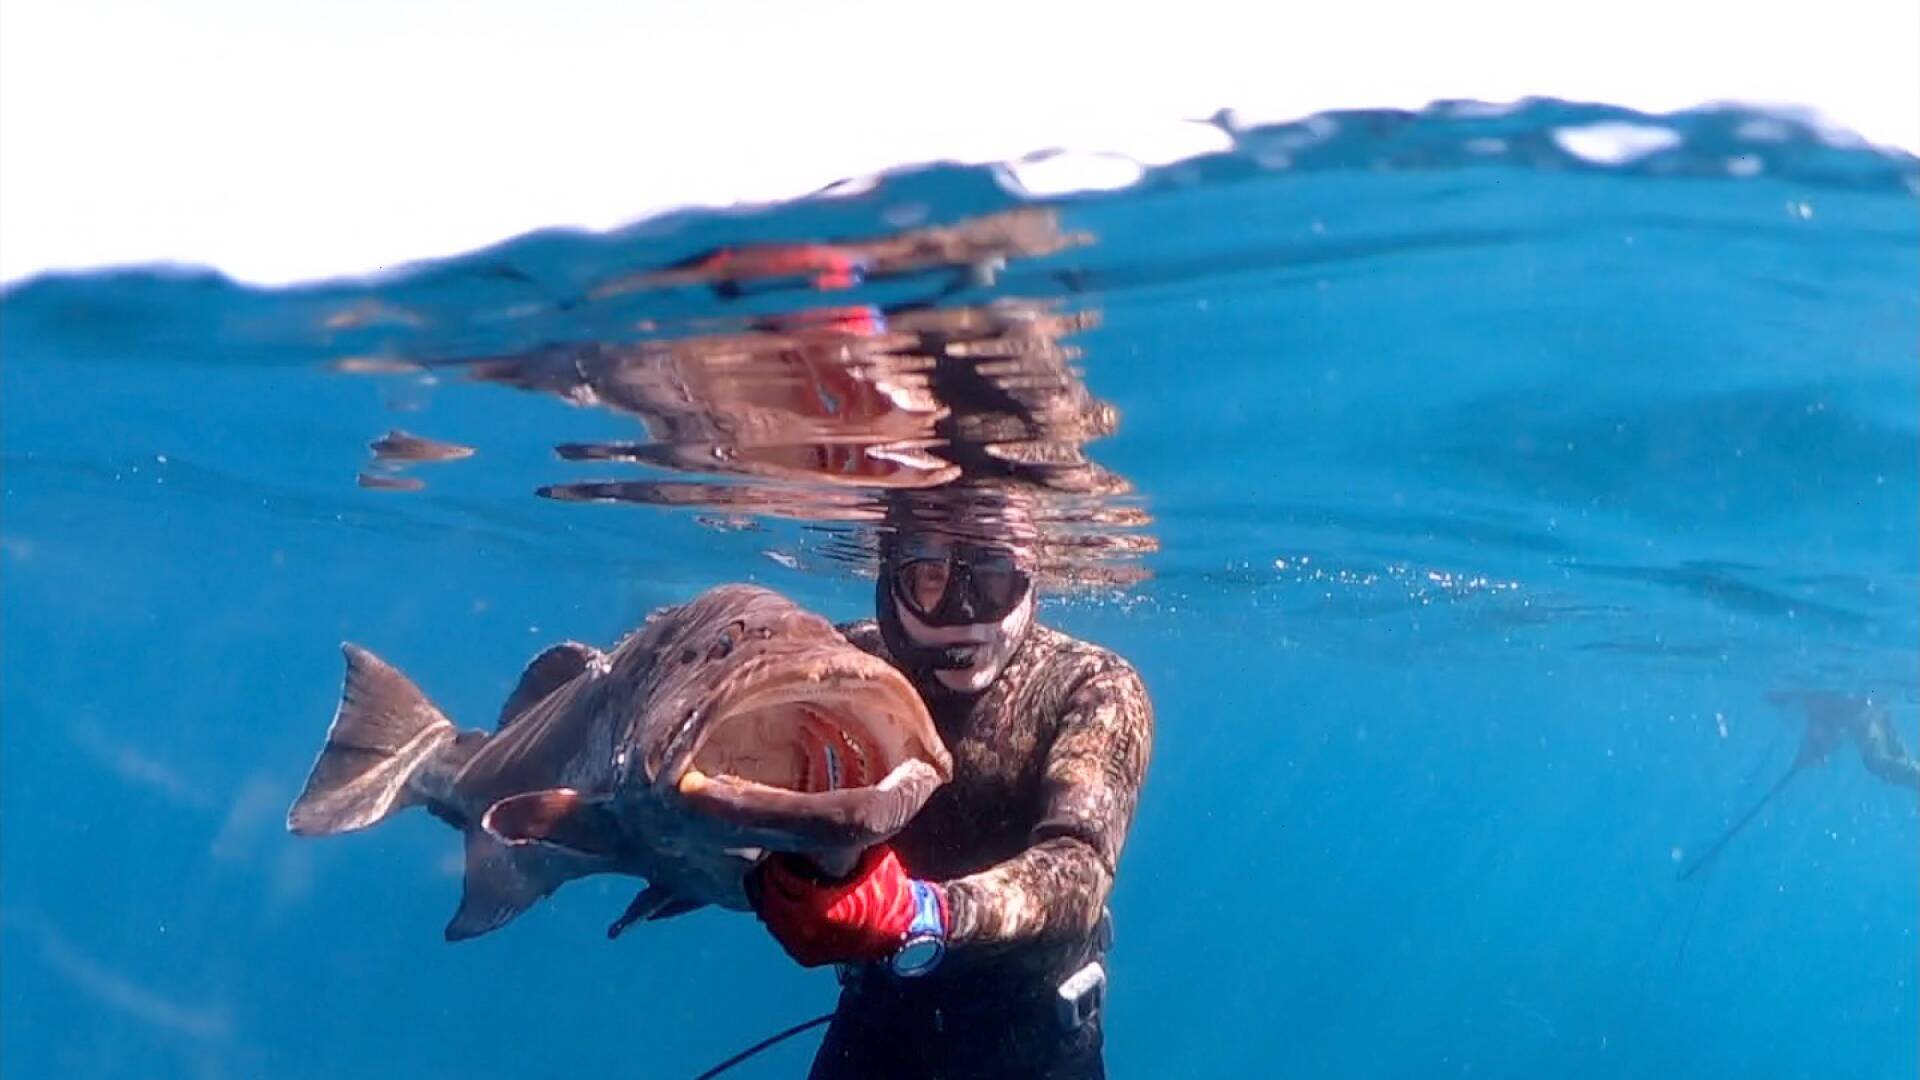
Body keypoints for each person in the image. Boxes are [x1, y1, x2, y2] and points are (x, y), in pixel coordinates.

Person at [744, 487, 1155, 1078]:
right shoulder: (844, 662)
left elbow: (1079, 868)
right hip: (878, 1021)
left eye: (991, 578)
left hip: (1034, 1049)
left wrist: (922, 913)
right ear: (889, 578)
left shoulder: (1093, 687)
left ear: (1032, 574)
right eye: (930, 577)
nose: (964, 611)